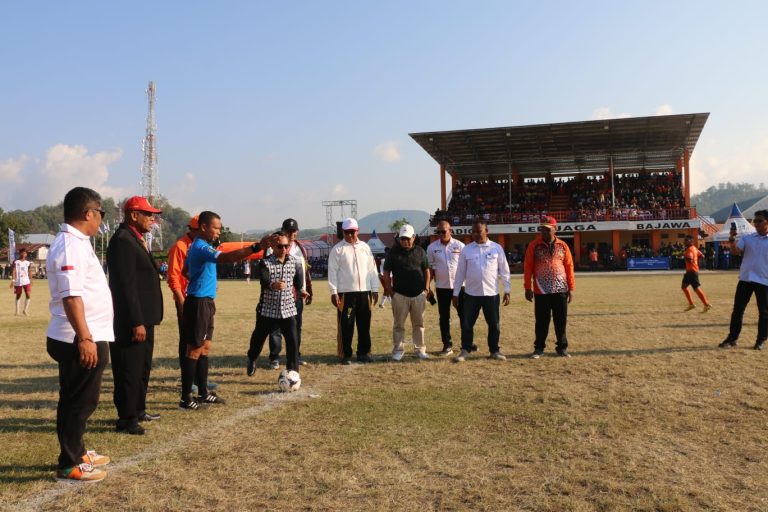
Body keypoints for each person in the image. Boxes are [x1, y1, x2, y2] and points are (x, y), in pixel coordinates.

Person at [46, 186, 114, 482]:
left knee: (77, 398)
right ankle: (69, 462)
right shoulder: (70, 245)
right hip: (78, 336)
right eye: (101, 213)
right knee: (80, 401)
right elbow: (71, 296)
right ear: (88, 213)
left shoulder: (77, 242)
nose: (101, 219)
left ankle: (77, 450)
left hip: (86, 333)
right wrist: (85, 338)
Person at [179, 210, 261, 409]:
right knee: (194, 349)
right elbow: (226, 258)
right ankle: (186, 398)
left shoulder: (200, 247)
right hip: (198, 302)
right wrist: (256, 247)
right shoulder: (200, 247)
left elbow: (185, 271)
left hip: (205, 301)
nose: (218, 232)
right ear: (204, 227)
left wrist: (202, 279)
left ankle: (204, 393)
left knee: (204, 347)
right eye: (216, 228)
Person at [106, 196, 164, 435]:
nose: (153, 219)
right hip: (132, 320)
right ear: (133, 215)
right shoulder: (122, 241)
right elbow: (125, 287)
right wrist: (136, 321)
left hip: (145, 318)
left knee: (141, 367)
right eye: (148, 214)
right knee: (128, 369)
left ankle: (138, 409)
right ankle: (126, 418)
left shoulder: (135, 239)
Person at [247, 232, 309, 375]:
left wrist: (301, 291)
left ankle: (293, 371)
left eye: (286, 246)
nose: (283, 249)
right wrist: (272, 285)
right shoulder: (265, 262)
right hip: (268, 309)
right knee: (258, 339)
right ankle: (252, 358)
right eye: (280, 246)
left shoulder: (296, 262)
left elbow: (298, 282)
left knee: (292, 342)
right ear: (273, 247)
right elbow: (264, 280)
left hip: (288, 309)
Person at [452, 219, 511, 362]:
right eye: (473, 232)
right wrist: (456, 293)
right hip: (471, 294)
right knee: (467, 324)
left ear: (486, 231)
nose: (476, 234)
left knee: (494, 324)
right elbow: (460, 273)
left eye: (479, 231)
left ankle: (494, 351)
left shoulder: (496, 248)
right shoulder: (467, 249)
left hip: (491, 294)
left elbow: (504, 270)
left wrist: (507, 290)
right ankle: (465, 350)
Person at [327, 217, 379, 364]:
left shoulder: (365, 247)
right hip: (346, 293)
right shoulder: (337, 249)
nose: (349, 235)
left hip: (365, 292)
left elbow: (372, 269)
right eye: (346, 232)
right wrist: (333, 291)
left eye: (352, 232)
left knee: (364, 324)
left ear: (358, 231)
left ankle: (364, 353)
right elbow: (332, 271)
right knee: (346, 325)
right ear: (342, 232)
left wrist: (374, 289)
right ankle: (346, 354)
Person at [524, 216, 575, 359]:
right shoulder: (534, 245)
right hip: (541, 290)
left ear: (555, 229)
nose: (544, 232)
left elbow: (569, 267)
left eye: (547, 229)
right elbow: (528, 267)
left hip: (560, 289)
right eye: (542, 229)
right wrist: (528, 287)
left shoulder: (563, 246)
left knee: (561, 320)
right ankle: (539, 348)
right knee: (541, 321)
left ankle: (562, 348)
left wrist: (571, 288)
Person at [267, 218, 313, 369]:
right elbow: (266, 271)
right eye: (289, 231)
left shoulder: (301, 249)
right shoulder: (272, 248)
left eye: (295, 231)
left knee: (296, 327)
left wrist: (308, 290)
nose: (293, 233)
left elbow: (305, 273)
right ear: (283, 231)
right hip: (277, 296)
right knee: (276, 328)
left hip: (297, 295)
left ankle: (294, 356)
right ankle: (274, 357)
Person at [719, 210, 768, 350]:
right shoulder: (748, 238)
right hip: (746, 279)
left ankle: (760, 341)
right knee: (738, 310)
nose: (756, 224)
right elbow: (735, 252)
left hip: (764, 280)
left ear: (767, 222)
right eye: (755, 221)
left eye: (760, 221)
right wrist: (732, 239)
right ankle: (732, 338)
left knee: (764, 313)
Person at [382, 224, 431, 361]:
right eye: (402, 239)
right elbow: (386, 272)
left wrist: (426, 289)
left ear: (414, 237)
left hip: (418, 295)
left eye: (408, 238)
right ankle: (398, 350)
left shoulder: (421, 251)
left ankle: (420, 349)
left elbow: (427, 270)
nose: (405, 241)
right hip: (400, 295)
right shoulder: (393, 253)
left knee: (419, 325)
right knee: (399, 325)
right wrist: (390, 290)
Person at [426, 219, 465, 356]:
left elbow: (466, 267)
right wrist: (427, 287)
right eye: (439, 232)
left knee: (464, 316)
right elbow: (430, 269)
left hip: (459, 287)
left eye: (444, 231)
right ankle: (447, 345)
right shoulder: (431, 248)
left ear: (450, 231)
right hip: (441, 287)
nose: (441, 234)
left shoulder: (460, 246)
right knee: (444, 317)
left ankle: (467, 343)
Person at [681, 236, 711, 313]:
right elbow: (702, 255)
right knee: (684, 287)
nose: (684, 242)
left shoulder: (689, 250)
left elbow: (690, 259)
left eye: (686, 240)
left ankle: (706, 304)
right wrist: (696, 262)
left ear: (691, 241)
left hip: (691, 272)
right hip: (691, 271)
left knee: (696, 288)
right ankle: (691, 304)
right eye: (685, 240)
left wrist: (683, 257)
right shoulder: (694, 248)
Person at [11, 248, 32, 315]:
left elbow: (29, 271)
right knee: (18, 295)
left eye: (25, 253)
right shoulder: (16, 262)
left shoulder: (28, 262)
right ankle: (17, 311)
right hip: (18, 281)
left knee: (28, 295)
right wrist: (13, 280)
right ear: (20, 253)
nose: (24, 254)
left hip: (26, 281)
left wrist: (31, 279)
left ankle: (25, 311)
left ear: (26, 254)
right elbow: (14, 271)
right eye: (22, 253)